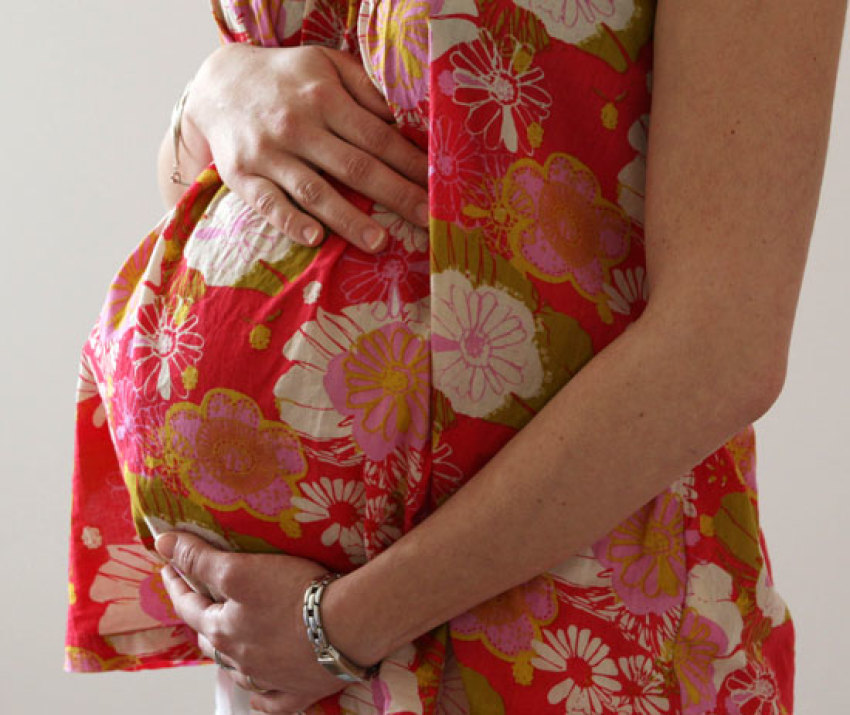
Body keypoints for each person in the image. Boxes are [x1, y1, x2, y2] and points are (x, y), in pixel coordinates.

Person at [65, 0, 848, 713]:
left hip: (564, 636)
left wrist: (336, 626)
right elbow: (218, 184)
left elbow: (721, 344)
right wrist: (212, 95)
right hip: (281, 657)